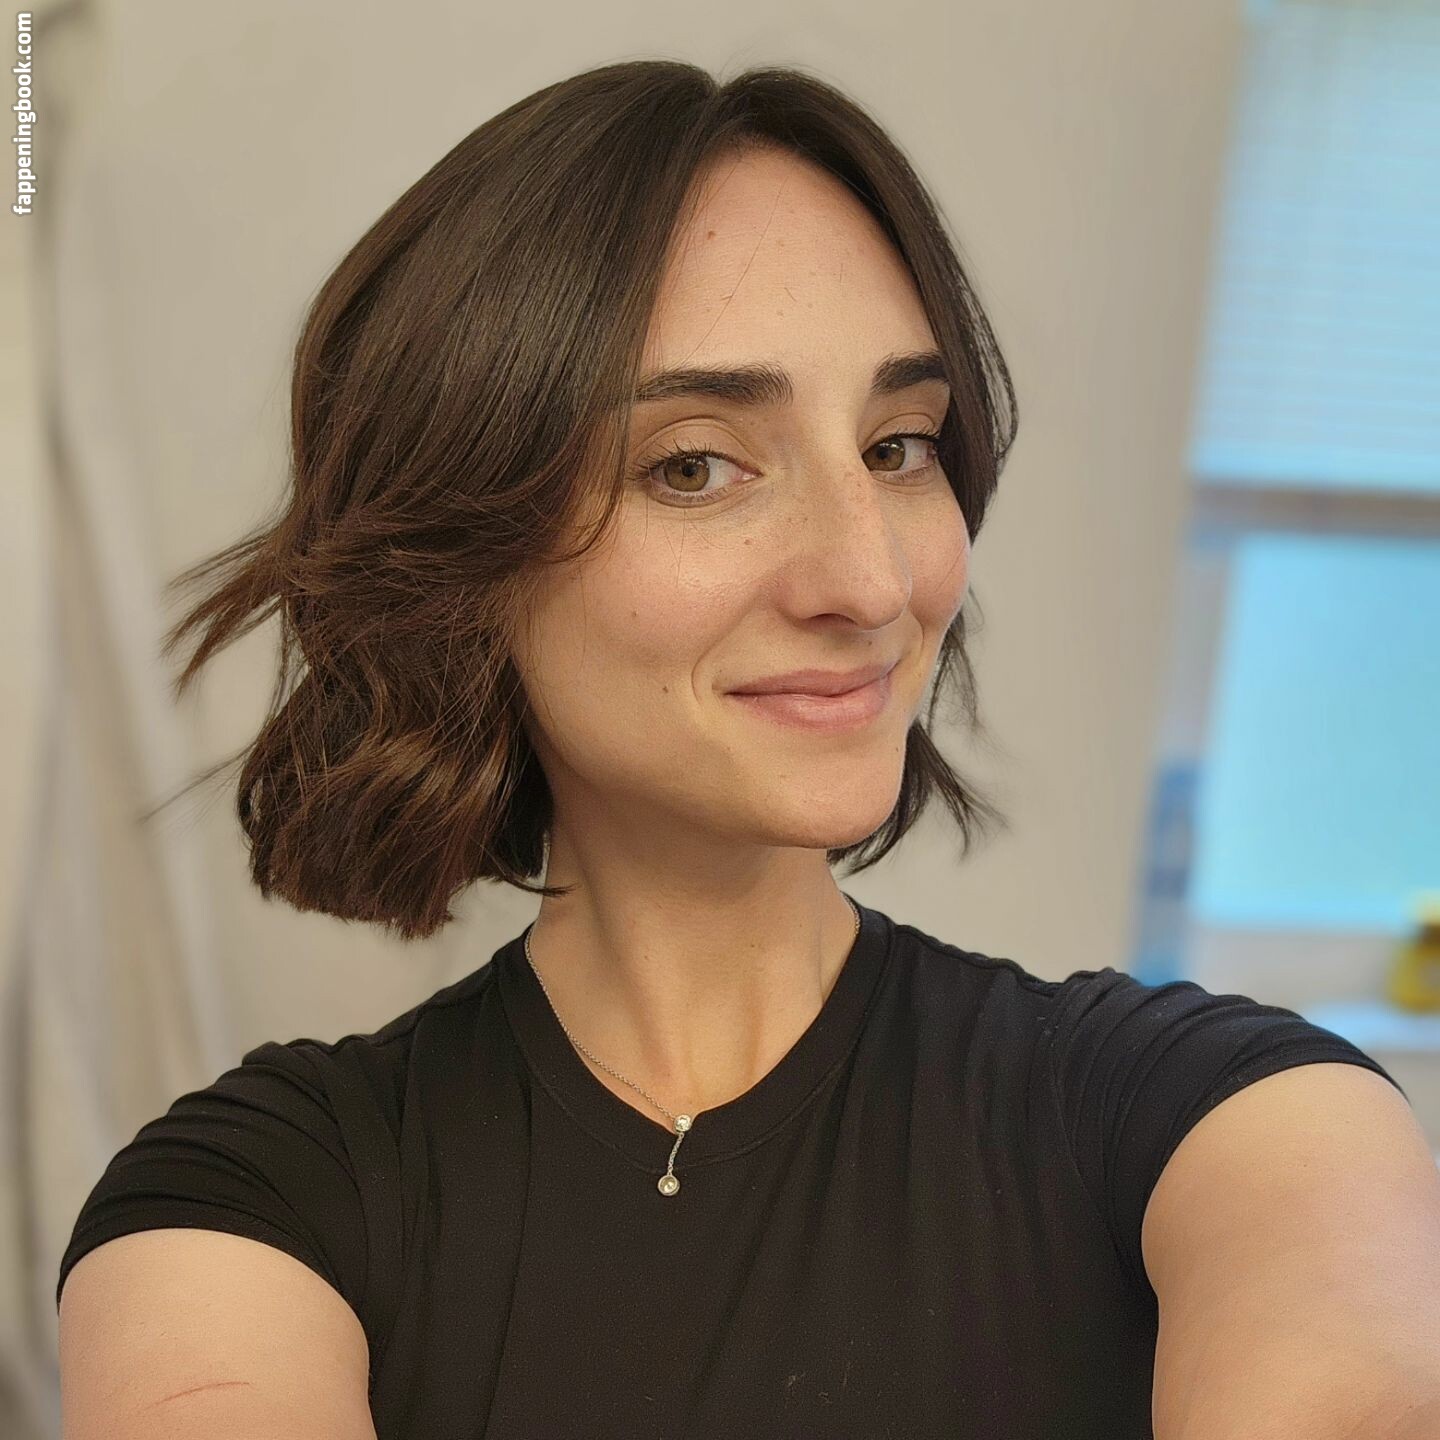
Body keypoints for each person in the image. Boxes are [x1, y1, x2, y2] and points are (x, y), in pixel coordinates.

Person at [54, 58, 1405, 1440]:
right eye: (694, 465)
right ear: (463, 554)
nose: (870, 582)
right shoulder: (251, 1205)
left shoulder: (1230, 1118)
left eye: (899, 446)